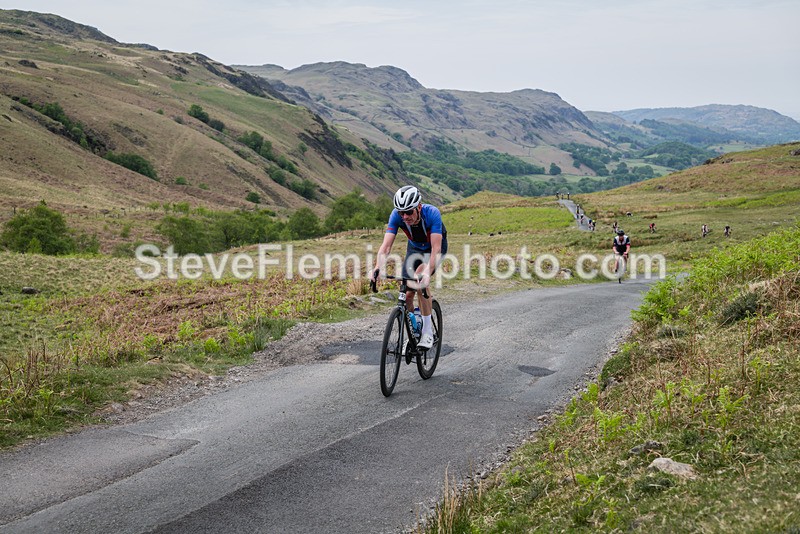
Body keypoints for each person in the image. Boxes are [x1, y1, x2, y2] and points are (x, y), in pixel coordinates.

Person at [371, 186, 448, 349]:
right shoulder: (396, 216)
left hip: (433, 248)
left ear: (419, 207)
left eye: (409, 212)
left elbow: (436, 249)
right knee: (406, 295)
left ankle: (427, 332)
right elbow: (386, 247)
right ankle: (415, 333)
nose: (405, 217)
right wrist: (378, 267)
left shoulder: (432, 213)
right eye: (401, 213)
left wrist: (427, 272)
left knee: (419, 281)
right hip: (414, 248)